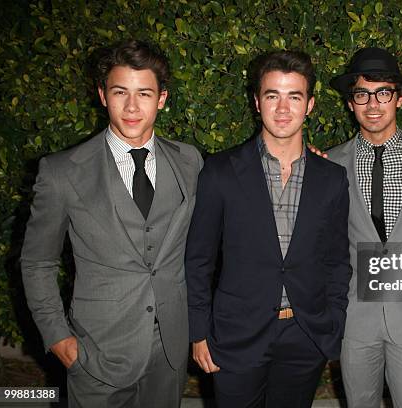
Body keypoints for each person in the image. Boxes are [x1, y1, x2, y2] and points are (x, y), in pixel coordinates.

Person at [21, 40, 203, 407]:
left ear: (162, 99)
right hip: (96, 352)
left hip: (169, 351)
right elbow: (37, 262)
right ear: (103, 96)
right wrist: (59, 339)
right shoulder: (61, 172)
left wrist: (299, 156)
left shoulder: (190, 161)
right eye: (121, 92)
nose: (133, 107)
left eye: (144, 94)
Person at [185, 50, 351, 408]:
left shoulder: (332, 179)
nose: (282, 108)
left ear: (310, 105)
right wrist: (199, 332)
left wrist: (333, 321)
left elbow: (337, 260)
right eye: (272, 95)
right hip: (235, 336)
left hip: (304, 336)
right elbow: (198, 260)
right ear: (256, 102)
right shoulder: (220, 171)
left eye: (295, 96)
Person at [328, 47, 402, 408]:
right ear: (351, 102)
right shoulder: (331, 163)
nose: (373, 104)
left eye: (383, 93)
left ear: (399, 98)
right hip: (354, 314)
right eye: (362, 94)